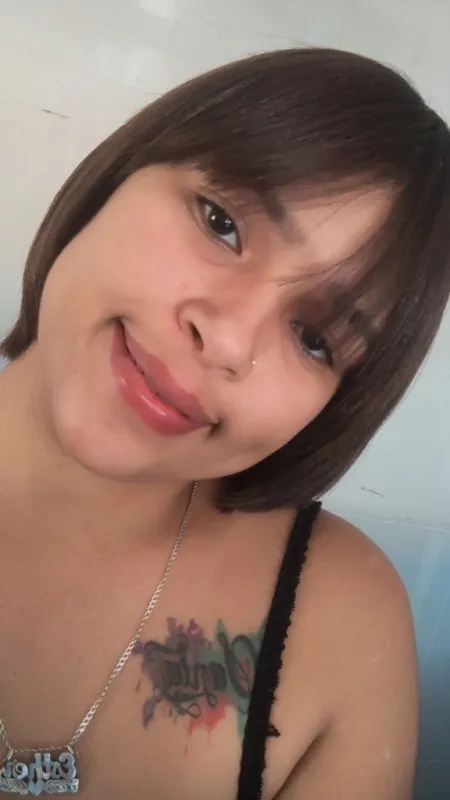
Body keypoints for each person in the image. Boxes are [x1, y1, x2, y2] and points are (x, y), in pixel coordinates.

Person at [0, 46, 449, 800]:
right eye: (221, 223)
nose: (231, 341)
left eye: (315, 339)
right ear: (118, 175)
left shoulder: (345, 620)